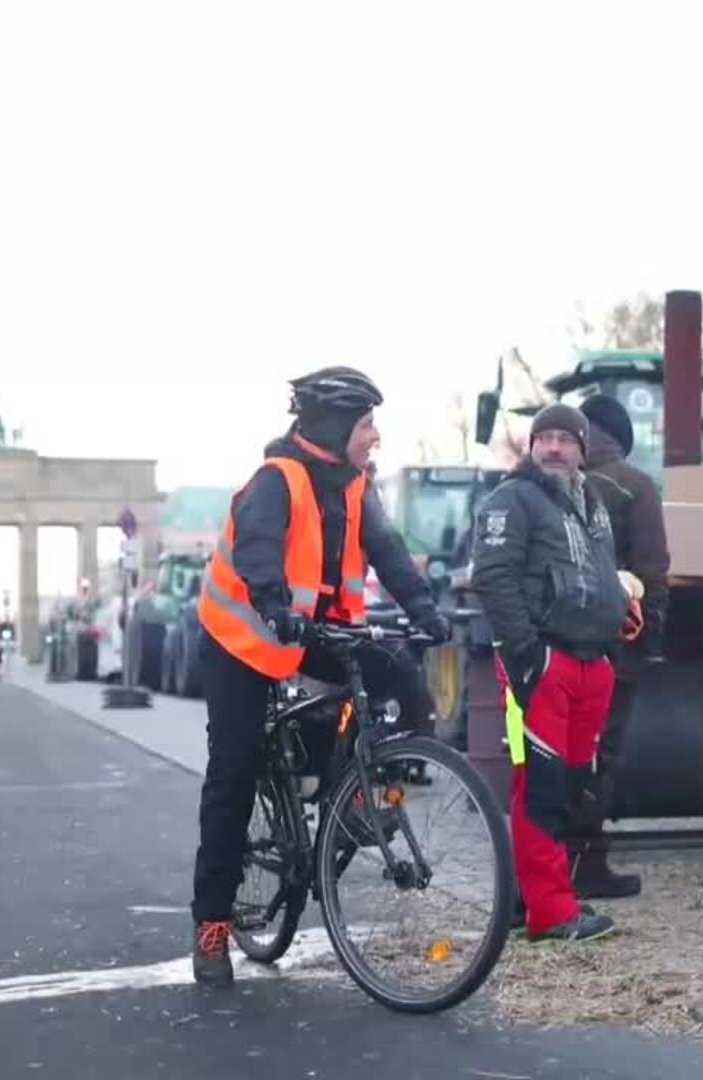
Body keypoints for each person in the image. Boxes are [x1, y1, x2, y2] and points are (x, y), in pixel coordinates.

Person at [189, 366, 452, 988]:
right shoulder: (275, 481)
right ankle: (211, 928)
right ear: (335, 429)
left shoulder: (357, 486)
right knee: (232, 774)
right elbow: (256, 548)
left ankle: (357, 794)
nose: (376, 437)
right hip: (241, 638)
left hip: (309, 632)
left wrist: (423, 610)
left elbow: (386, 549)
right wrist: (274, 604)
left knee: (399, 674)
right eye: (366, 426)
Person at [471, 403, 630, 942]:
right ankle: (551, 913)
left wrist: (617, 612)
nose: (555, 447)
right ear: (532, 446)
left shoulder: (593, 501)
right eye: (546, 438)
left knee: (570, 784)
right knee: (539, 784)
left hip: (591, 663)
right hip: (543, 664)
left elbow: (599, 570)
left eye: (566, 438)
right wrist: (527, 655)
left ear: (584, 450)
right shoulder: (511, 501)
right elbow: (493, 577)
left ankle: (531, 895)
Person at [566, 394, 670, 900]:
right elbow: (651, 572)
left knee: (547, 752)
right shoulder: (634, 485)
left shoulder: (540, 478)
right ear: (619, 438)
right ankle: (585, 864)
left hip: (548, 644)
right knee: (597, 753)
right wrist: (650, 639)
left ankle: (541, 867)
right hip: (610, 646)